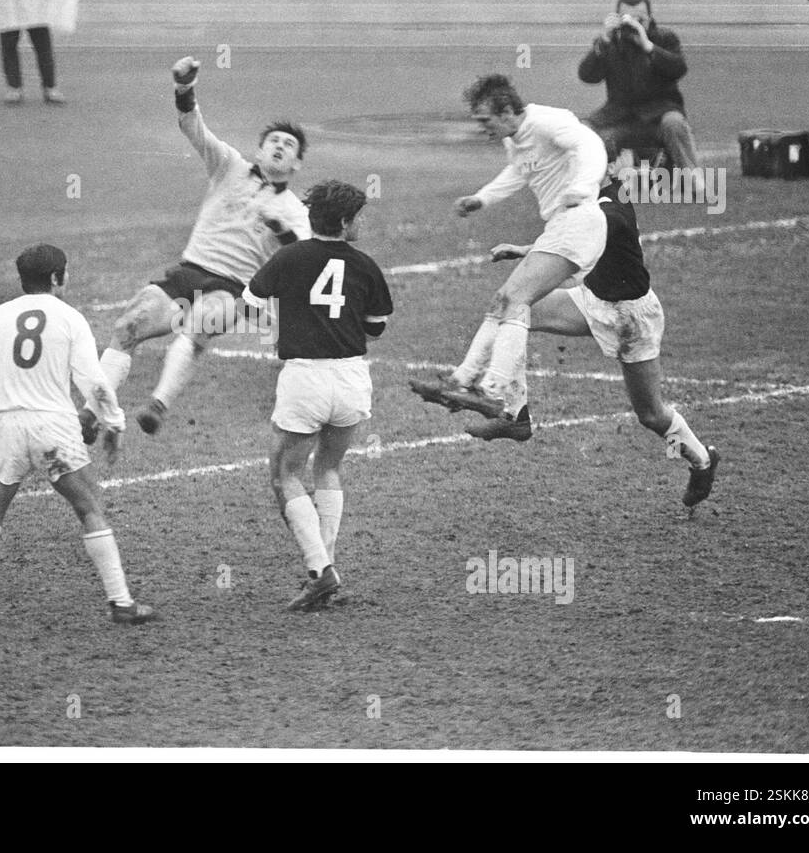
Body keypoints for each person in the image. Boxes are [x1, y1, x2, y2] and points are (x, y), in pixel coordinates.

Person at [413, 146, 719, 508]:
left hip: (630, 319)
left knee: (651, 415)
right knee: (516, 308)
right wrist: (526, 249)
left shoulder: (610, 212)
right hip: (592, 300)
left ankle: (702, 462)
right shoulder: (601, 195)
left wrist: (532, 253)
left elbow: (577, 250)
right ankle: (514, 413)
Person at [77, 54, 312, 440]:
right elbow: (194, 128)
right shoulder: (230, 166)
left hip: (232, 288)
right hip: (187, 272)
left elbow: (302, 257)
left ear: (297, 165)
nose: (280, 147)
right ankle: (91, 412)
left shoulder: (294, 210)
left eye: (289, 145)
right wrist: (184, 87)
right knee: (129, 325)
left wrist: (282, 230)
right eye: (273, 141)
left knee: (200, 323)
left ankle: (157, 406)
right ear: (259, 150)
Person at [0, 244, 157, 630]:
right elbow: (93, 381)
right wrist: (115, 422)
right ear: (56, 278)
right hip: (54, 427)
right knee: (89, 509)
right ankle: (121, 603)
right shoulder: (71, 319)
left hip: (4, 428)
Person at [409, 74, 607, 428]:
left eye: (486, 120)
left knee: (514, 300)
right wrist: (482, 198)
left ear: (506, 111)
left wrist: (583, 185)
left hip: (578, 222)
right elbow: (517, 173)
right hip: (561, 228)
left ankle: (493, 390)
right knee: (506, 302)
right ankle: (464, 382)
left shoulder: (548, 121)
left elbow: (591, 145)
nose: (482, 129)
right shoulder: (515, 141)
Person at [244, 181, 393, 611]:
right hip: (351, 378)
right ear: (345, 223)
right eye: (358, 218)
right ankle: (327, 573)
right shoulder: (365, 265)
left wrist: (287, 313)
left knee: (285, 475)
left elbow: (251, 300)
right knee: (328, 468)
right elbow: (376, 326)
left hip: (304, 378)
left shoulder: (288, 257)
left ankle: (320, 570)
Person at [577, 0, 700, 172]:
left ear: (650, 18)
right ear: (617, 18)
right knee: (583, 130)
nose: (634, 24)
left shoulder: (664, 38)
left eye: (640, 19)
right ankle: (592, 180)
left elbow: (678, 68)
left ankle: (691, 176)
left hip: (660, 115)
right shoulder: (610, 42)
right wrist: (604, 41)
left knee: (674, 123)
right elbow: (587, 76)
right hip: (620, 117)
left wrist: (649, 47)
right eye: (627, 18)